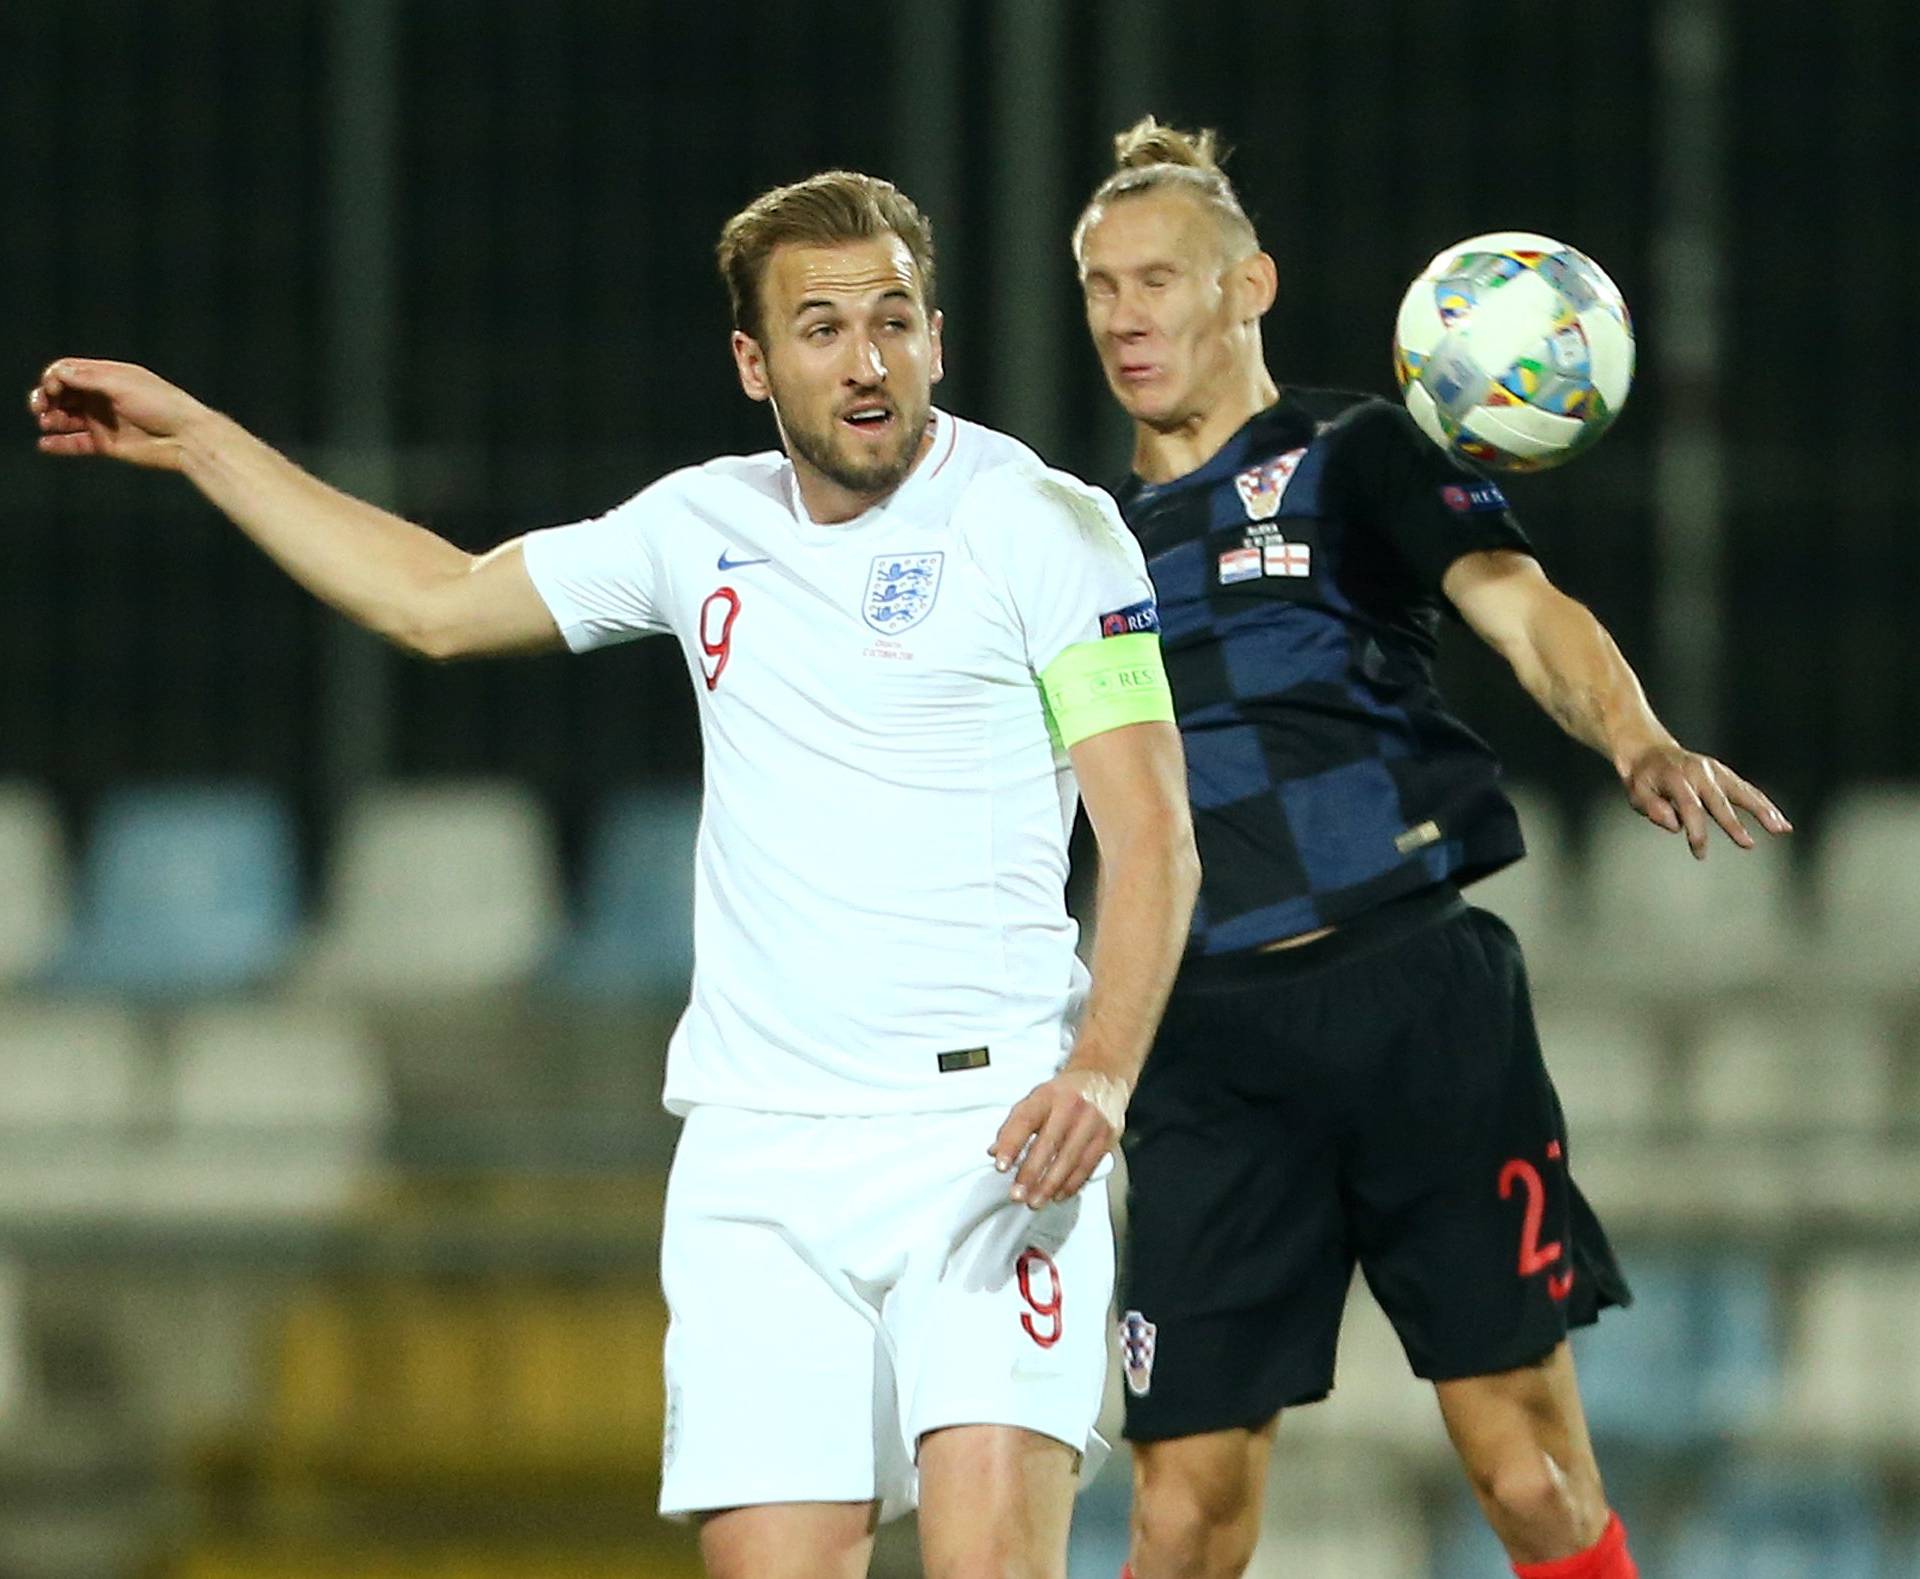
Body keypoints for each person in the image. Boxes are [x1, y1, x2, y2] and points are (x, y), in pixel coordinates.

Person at [30, 169, 1201, 1579]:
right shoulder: (698, 525)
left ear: (938, 338)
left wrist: (1102, 1074)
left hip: (987, 1140)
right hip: (758, 1162)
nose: (867, 358)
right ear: (752, 363)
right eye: (821, 328)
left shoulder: (1049, 526)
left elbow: (1152, 836)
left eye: (895, 319)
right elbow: (438, 604)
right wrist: (205, 442)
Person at [1072, 120, 1791, 1579]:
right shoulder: (1078, 541)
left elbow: (1521, 607)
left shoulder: (1360, 453)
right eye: (1099, 286)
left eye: (1158, 279)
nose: (1125, 315)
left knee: (1526, 1473)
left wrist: (1635, 736)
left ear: (1249, 285)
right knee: (1179, 1517)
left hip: (1416, 1000)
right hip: (1203, 1045)